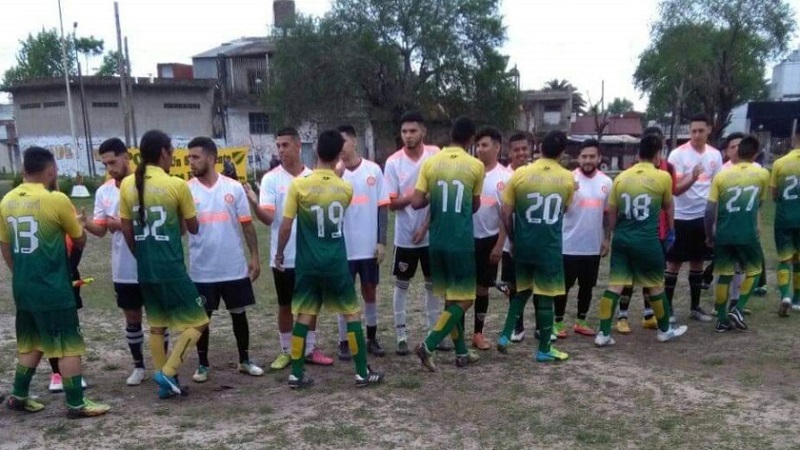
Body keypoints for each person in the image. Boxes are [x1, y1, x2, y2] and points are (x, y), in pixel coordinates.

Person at [0, 146, 110, 417]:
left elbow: (5, 246)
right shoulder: (57, 200)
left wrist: (21, 273)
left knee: (32, 340)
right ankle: (76, 403)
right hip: (53, 286)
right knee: (68, 343)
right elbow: (79, 239)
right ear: (50, 171)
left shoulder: (6, 201)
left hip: (23, 286)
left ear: (23, 169)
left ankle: (19, 395)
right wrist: (80, 225)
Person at [277, 130, 384, 389]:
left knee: (304, 314)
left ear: (314, 151)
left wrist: (280, 253)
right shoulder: (344, 188)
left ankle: (297, 373)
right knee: (351, 314)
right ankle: (361, 372)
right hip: (336, 261)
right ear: (339, 155)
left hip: (308, 263)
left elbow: (286, 226)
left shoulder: (299, 185)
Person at [119, 130, 210, 398]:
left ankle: (164, 385)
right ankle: (168, 371)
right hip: (170, 267)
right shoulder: (176, 185)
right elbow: (192, 228)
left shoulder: (127, 185)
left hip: (145, 268)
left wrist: (141, 254)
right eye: (172, 153)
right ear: (163, 153)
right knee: (199, 321)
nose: (173, 158)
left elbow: (126, 229)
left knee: (157, 324)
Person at [246, 127, 334, 369]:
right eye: (278, 146)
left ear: (298, 146)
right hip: (283, 257)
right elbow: (268, 218)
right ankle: (286, 350)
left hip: (311, 256)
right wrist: (255, 204)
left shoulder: (314, 177)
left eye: (285, 145)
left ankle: (309, 349)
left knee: (310, 305)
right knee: (285, 305)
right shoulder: (271, 179)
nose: (281, 150)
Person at [81, 137, 162, 387]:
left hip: (151, 262)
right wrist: (85, 224)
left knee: (159, 318)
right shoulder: (104, 191)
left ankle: (163, 366)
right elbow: (101, 229)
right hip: (123, 268)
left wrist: (121, 223)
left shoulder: (147, 183)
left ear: (127, 157)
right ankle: (139, 367)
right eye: (105, 164)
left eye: (113, 162)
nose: (110, 168)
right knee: (132, 318)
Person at [594, 134, 687, 347]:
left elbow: (612, 211)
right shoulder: (662, 176)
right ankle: (664, 330)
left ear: (638, 154)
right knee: (655, 285)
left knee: (615, 285)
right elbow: (668, 205)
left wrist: (616, 231)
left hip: (623, 238)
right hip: (647, 239)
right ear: (658, 155)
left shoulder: (621, 178)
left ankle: (604, 333)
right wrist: (671, 230)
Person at [186, 137, 264, 382]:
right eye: (189, 157)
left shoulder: (233, 188)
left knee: (238, 313)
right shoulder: (186, 189)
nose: (191, 162)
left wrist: (254, 256)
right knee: (202, 317)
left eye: (195, 157)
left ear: (211, 158)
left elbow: (247, 226)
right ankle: (203, 364)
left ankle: (244, 360)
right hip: (202, 268)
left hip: (233, 266)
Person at [412, 117, 485, 371]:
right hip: (460, 241)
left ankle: (462, 353)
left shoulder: (430, 163)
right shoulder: (475, 165)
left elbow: (416, 201)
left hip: (437, 241)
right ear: (471, 139)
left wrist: (435, 195)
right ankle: (429, 344)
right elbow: (475, 205)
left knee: (450, 300)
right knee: (465, 299)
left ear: (450, 135)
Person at [496, 130, 573, 362]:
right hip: (548, 246)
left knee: (522, 291)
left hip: (524, 245)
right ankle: (544, 348)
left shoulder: (520, 175)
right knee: (546, 297)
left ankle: (504, 336)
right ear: (561, 153)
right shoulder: (567, 178)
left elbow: (506, 212)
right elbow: (565, 209)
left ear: (539, 149)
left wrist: (513, 239)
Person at [384, 111, 445, 355]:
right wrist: (417, 196)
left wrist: (425, 226)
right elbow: (391, 203)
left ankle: (433, 334)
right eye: (404, 132)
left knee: (433, 285)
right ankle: (401, 334)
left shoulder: (435, 155)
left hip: (430, 235)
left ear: (423, 132)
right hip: (405, 237)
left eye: (413, 131)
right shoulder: (393, 162)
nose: (408, 136)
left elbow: (439, 196)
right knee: (402, 285)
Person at [335, 125, 390, 360]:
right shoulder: (332, 174)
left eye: (344, 142)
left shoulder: (373, 170)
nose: (341, 149)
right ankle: (344, 341)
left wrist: (381, 241)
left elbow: (383, 207)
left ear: (354, 141)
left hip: (368, 247)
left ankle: (371, 337)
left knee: (369, 292)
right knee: (344, 295)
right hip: (343, 248)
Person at [704, 135, 769, 332]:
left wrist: (709, 234)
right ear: (755, 154)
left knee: (724, 275)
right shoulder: (762, 174)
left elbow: (709, 211)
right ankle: (738, 308)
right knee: (755, 270)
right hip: (747, 233)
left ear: (738, 152)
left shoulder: (721, 176)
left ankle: (722, 319)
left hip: (724, 233)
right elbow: (760, 203)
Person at [616, 126, 676, 333]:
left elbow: (670, 202)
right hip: (640, 232)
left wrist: (670, 229)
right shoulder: (630, 174)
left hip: (657, 231)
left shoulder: (669, 170)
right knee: (629, 278)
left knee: (651, 277)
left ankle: (649, 314)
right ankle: (622, 316)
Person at [665, 114, 723, 322]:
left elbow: (717, 188)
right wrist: (693, 176)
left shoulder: (715, 155)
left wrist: (714, 218)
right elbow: (676, 190)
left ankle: (695, 307)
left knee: (698, 262)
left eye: (701, 130)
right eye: (693, 131)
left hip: (702, 217)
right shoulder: (677, 155)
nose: (697, 135)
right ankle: (668, 309)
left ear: (709, 130)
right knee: (673, 264)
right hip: (680, 217)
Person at [554, 139, 612, 338]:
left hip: (592, 246)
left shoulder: (606, 182)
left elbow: (606, 214)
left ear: (599, 158)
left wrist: (606, 239)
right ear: (578, 157)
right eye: (584, 156)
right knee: (563, 287)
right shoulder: (568, 179)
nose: (588, 160)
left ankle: (581, 321)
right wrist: (569, 194)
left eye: (592, 156)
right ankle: (558, 322)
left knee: (587, 287)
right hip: (569, 245)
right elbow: (558, 210)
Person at [470, 127, 511, 350]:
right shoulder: (470, 171)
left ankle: (478, 333)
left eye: (485, 145)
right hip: (466, 240)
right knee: (461, 289)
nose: (480, 149)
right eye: (478, 145)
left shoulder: (505, 178)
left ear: (497, 147)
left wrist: (499, 245)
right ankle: (454, 333)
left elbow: (506, 215)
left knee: (482, 288)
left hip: (489, 241)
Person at [499, 132, 532, 342]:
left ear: (530, 150)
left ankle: (541, 327)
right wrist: (509, 241)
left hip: (532, 242)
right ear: (508, 152)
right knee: (512, 285)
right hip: (510, 244)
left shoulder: (536, 174)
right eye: (516, 149)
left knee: (534, 285)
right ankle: (517, 325)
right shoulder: (503, 177)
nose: (520, 153)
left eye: (524, 149)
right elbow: (502, 213)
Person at [772, 131, 800, 316]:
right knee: (799, 260)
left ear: (794, 138)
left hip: (784, 217)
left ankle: (785, 296)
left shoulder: (779, 163)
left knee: (784, 258)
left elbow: (774, 194)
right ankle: (797, 299)